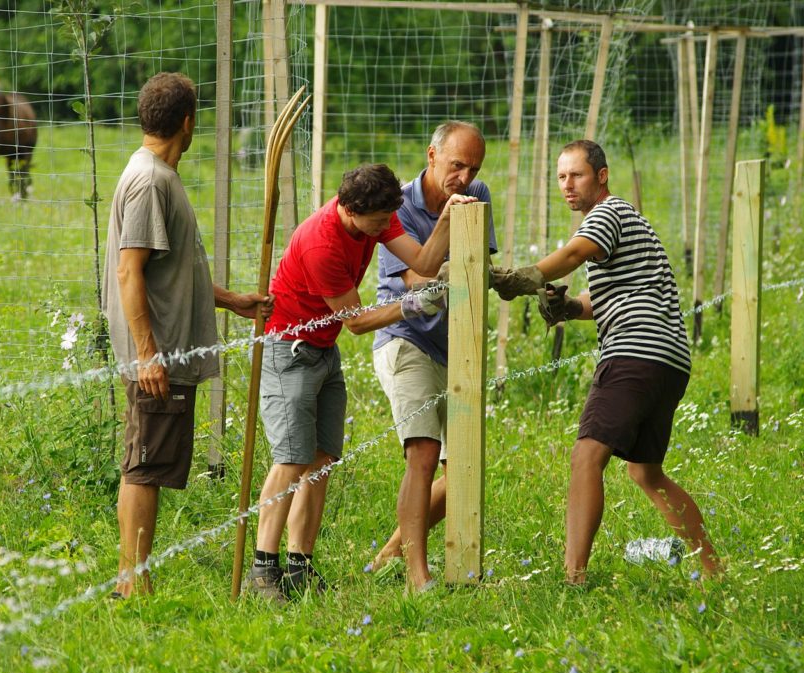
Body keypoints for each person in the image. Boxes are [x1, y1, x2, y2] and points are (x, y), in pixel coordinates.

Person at [245, 163, 477, 602]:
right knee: (292, 460)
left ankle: (299, 566)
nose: (381, 230)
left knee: (322, 459)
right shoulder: (322, 244)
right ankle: (262, 570)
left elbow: (423, 261)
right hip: (288, 348)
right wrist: (410, 306)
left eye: (387, 219)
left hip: (323, 351)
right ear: (350, 210)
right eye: (375, 223)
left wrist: (445, 218)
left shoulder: (380, 212)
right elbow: (356, 322)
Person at [497, 139, 721, 584]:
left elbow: (575, 253)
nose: (567, 185)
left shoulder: (607, 213)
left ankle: (573, 578)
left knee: (586, 457)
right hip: (669, 359)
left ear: (601, 176)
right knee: (646, 472)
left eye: (576, 175)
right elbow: (604, 300)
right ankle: (713, 569)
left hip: (635, 351)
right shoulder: (624, 223)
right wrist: (567, 309)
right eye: (560, 177)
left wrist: (526, 277)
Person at [101, 72, 271, 598]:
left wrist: (232, 300)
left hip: (166, 347)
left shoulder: (154, 173)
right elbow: (130, 271)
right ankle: (133, 583)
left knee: (148, 461)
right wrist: (149, 355)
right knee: (145, 466)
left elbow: (171, 270)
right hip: (158, 354)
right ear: (188, 123)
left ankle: (136, 576)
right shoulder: (151, 181)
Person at [368, 121, 498, 593]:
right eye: (456, 165)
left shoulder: (477, 194)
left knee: (460, 463)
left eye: (472, 168)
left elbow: (480, 264)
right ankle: (417, 576)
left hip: (456, 346)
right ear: (431, 155)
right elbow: (413, 283)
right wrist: (452, 263)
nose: (464, 177)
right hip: (405, 339)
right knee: (423, 452)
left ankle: (392, 549)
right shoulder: (397, 206)